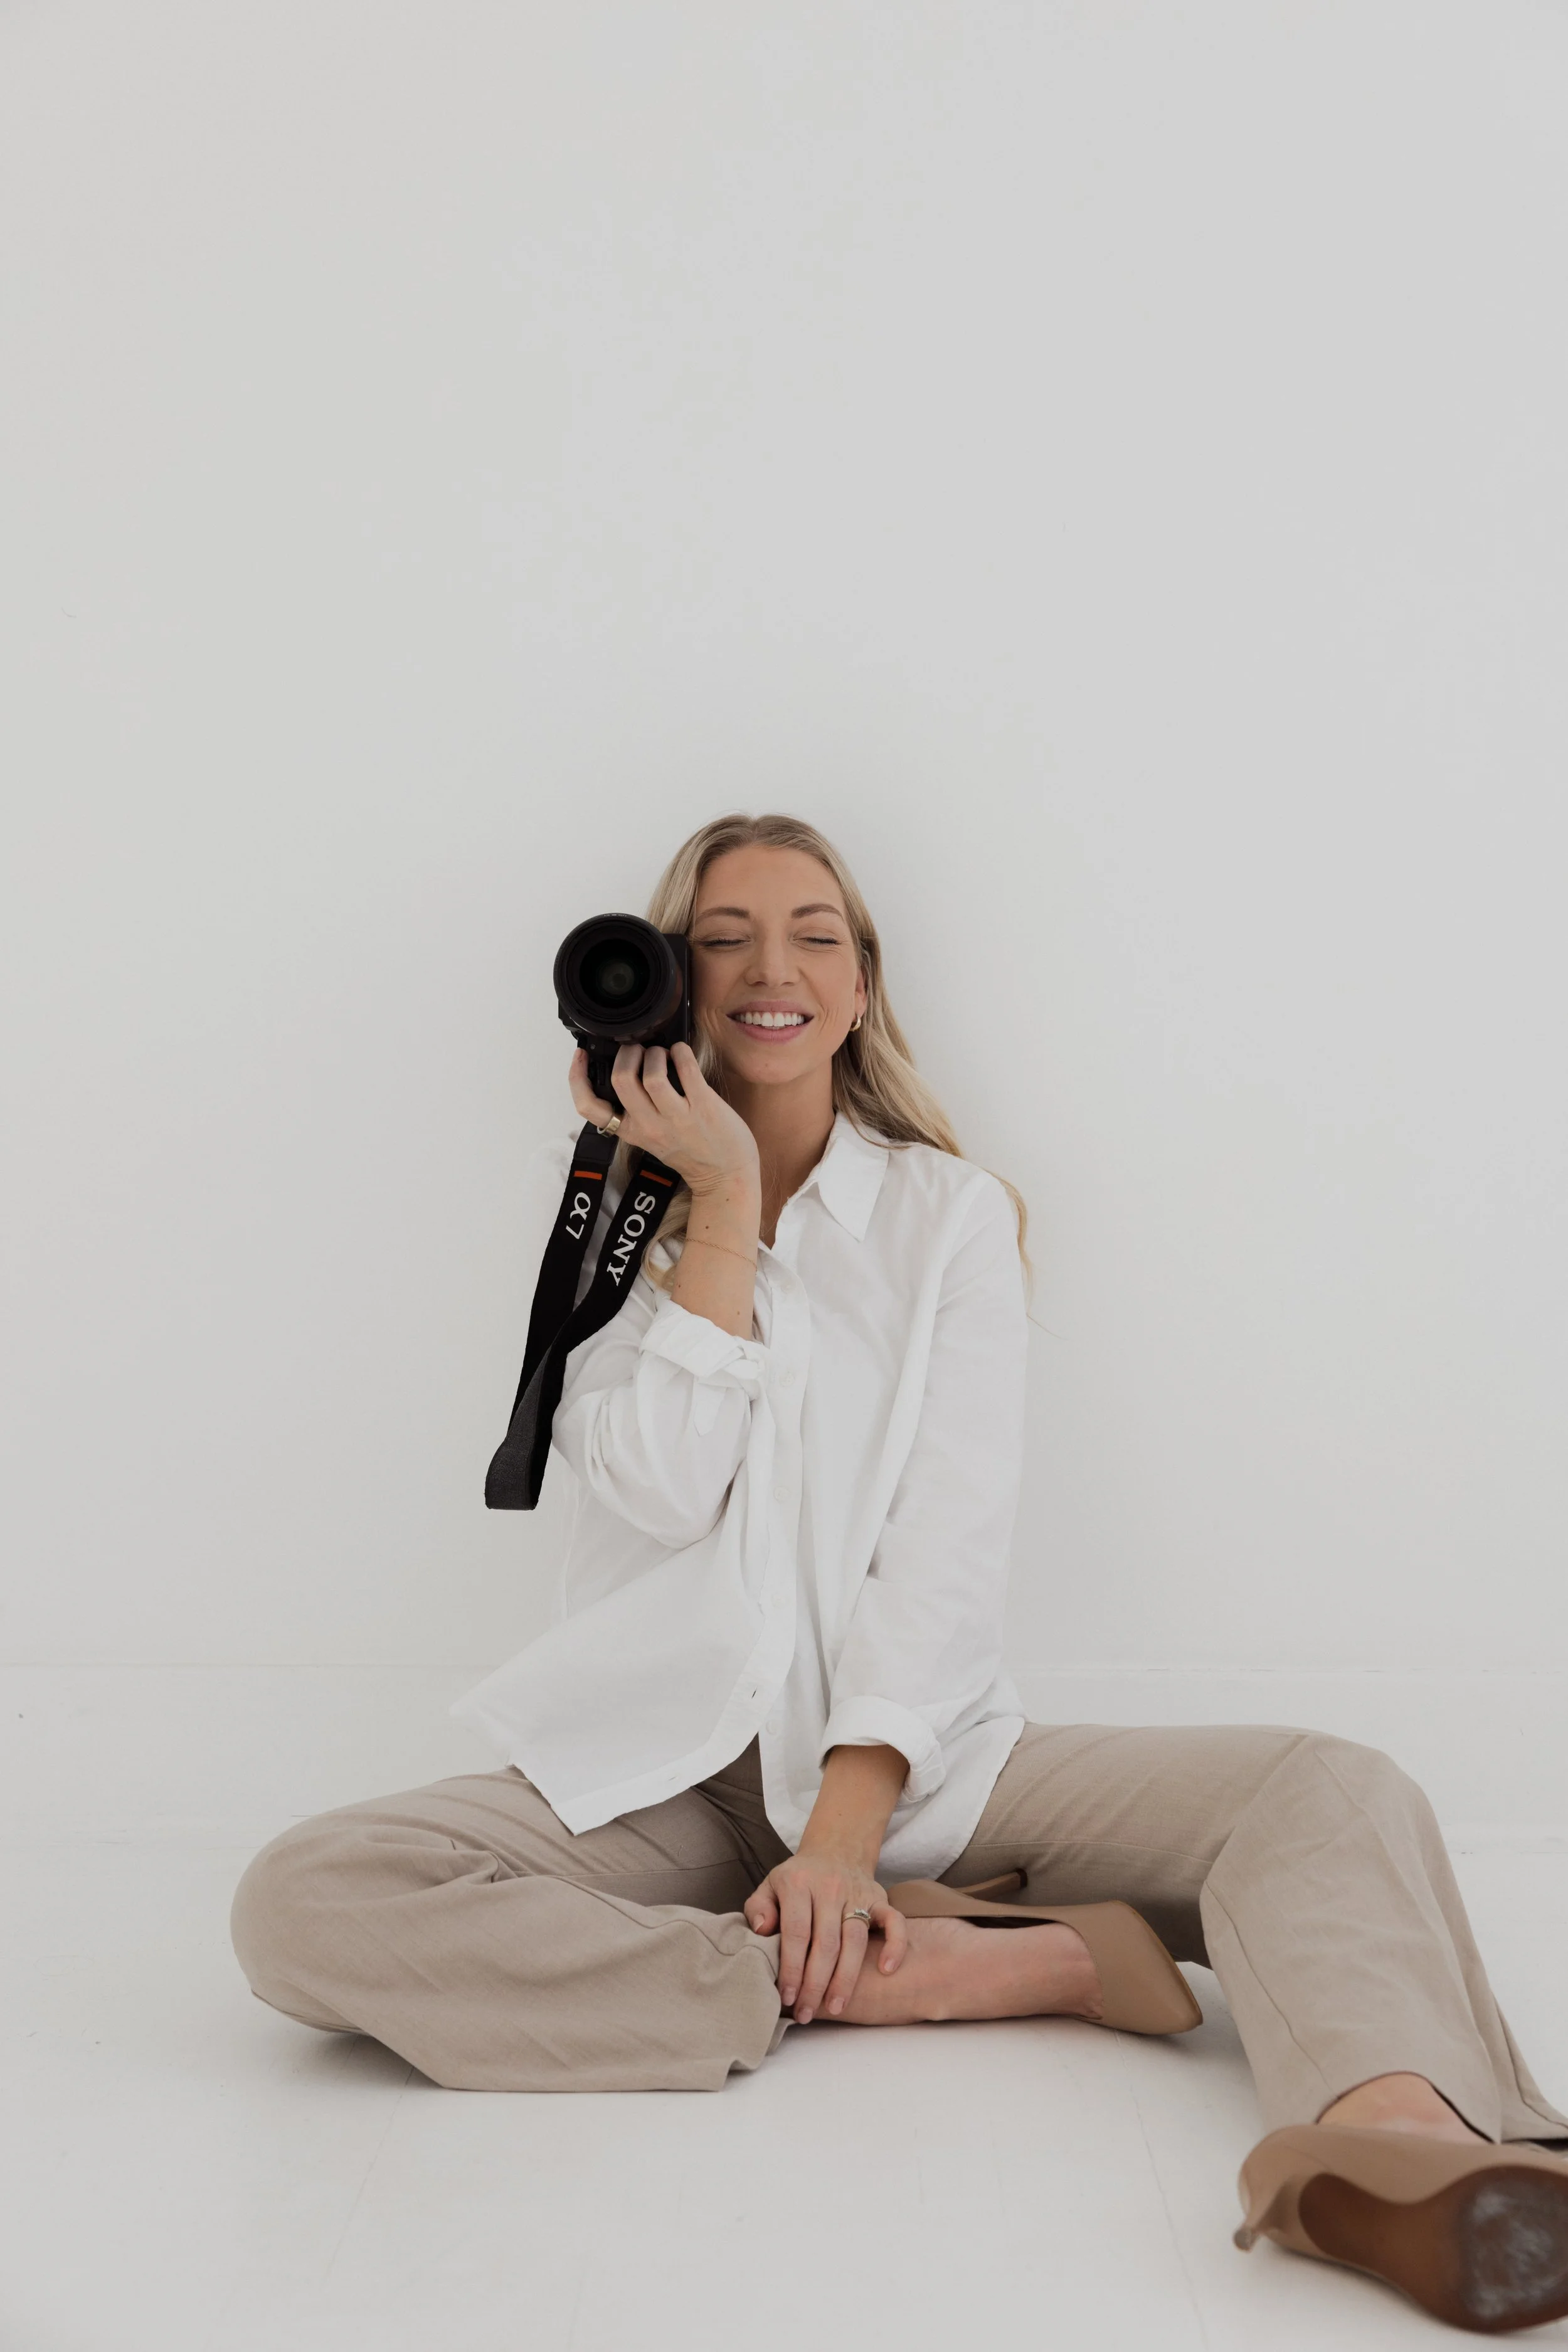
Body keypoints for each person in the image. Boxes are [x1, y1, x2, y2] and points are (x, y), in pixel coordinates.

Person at [232, 812, 1568, 2334]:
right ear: (668, 981)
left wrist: (842, 1845)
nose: (770, 969)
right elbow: (661, 1488)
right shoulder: (602, 1208)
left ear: (860, 985)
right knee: (304, 1900)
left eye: (813, 936)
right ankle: (927, 1972)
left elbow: (944, 1549)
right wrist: (715, 1206)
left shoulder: (948, 1217)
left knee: (1324, 1788)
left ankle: (1397, 2144)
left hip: (920, 1773)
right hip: (662, 1773)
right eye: (721, 939)